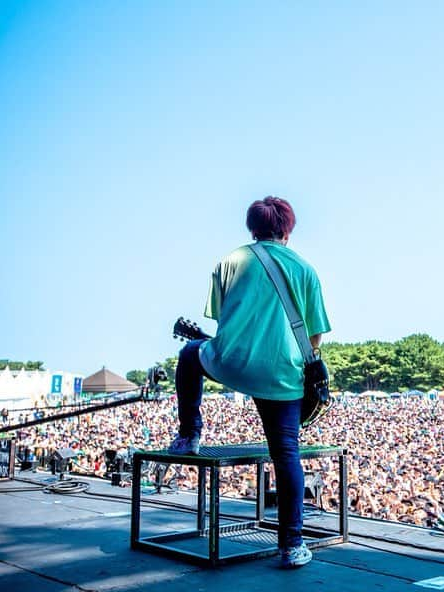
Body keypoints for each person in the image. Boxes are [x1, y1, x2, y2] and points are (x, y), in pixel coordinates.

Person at [169, 196, 331, 569]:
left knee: (189, 354)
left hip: (232, 364)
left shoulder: (230, 261)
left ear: (251, 228)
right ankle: (291, 545)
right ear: (288, 230)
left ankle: (190, 434)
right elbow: (316, 338)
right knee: (286, 454)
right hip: (281, 375)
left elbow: (225, 318)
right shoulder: (306, 270)